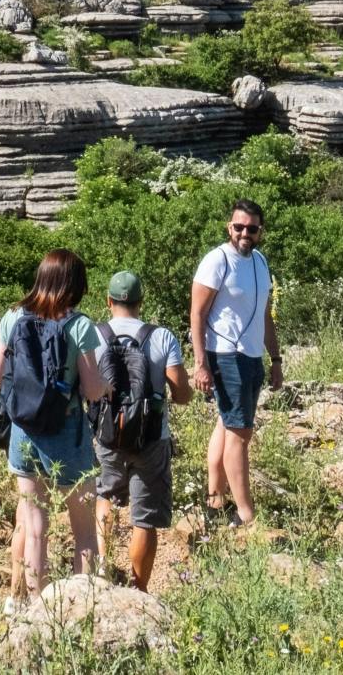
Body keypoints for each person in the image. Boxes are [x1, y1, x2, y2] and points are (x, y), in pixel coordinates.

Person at [0, 248, 110, 602]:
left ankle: (35, 607)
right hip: (67, 434)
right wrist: (107, 385)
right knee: (84, 531)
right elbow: (90, 389)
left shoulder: (12, 317)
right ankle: (79, 607)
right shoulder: (80, 326)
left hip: (24, 432)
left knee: (34, 526)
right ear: (76, 285)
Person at [92, 270, 191, 590]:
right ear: (141, 302)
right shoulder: (162, 337)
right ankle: (139, 588)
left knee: (104, 495)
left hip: (106, 436)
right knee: (144, 518)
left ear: (109, 301)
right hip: (151, 438)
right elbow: (183, 395)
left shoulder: (94, 335)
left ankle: (103, 568)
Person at [190, 199, 282, 526]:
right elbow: (197, 315)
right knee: (240, 434)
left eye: (251, 228)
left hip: (252, 356)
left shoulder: (259, 261)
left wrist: (276, 359)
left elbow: (265, 316)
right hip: (226, 356)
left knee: (227, 425)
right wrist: (200, 363)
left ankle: (215, 501)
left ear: (260, 231)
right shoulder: (217, 260)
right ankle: (246, 514)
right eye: (238, 226)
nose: (245, 233)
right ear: (229, 226)